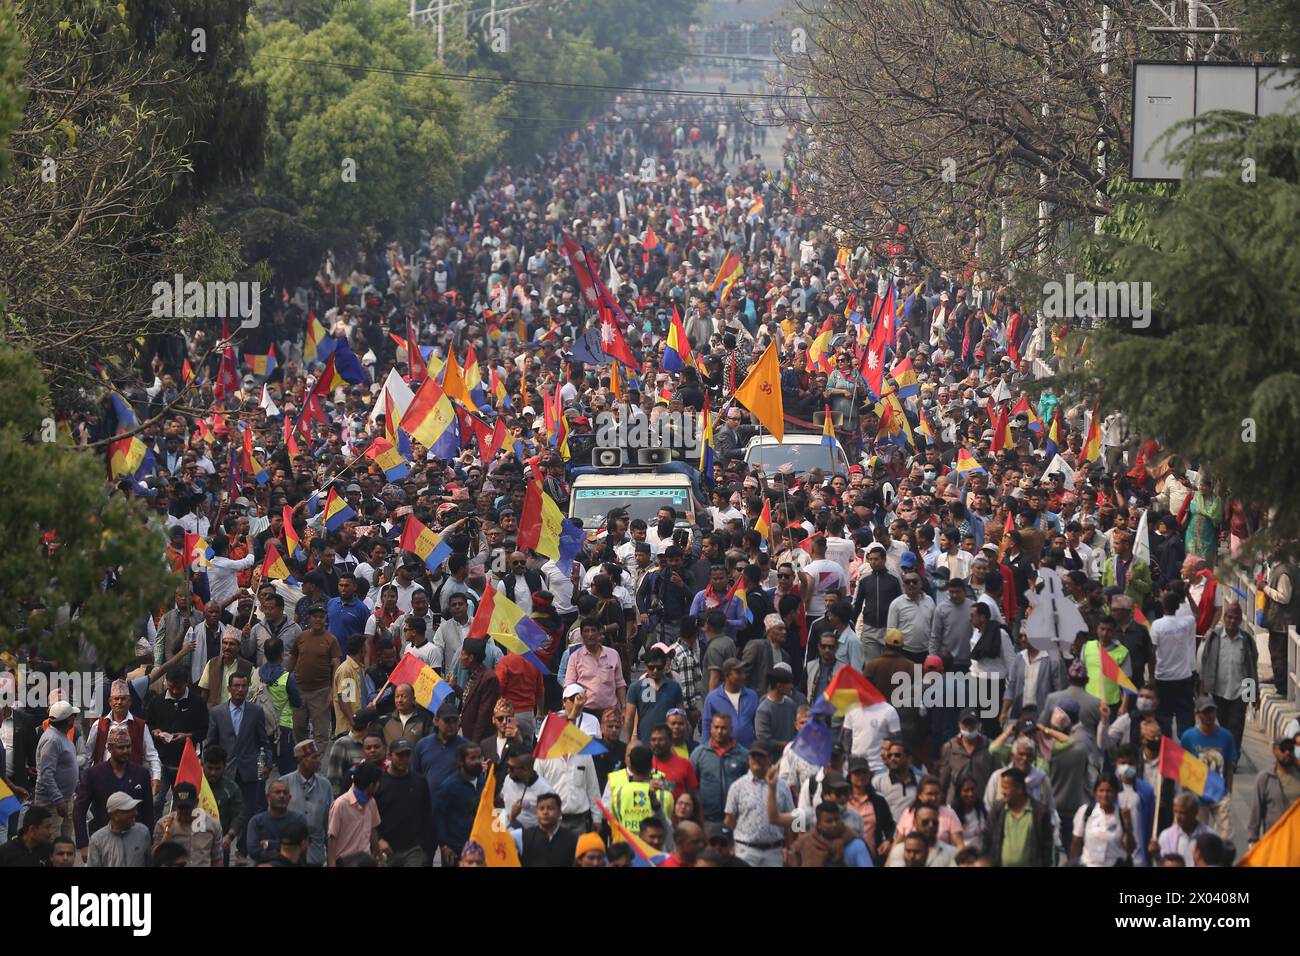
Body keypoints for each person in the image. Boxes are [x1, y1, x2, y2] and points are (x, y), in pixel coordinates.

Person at [204, 671, 272, 846]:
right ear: (229, 688)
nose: (240, 690)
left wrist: (266, 765)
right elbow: (211, 743)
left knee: (248, 811)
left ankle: (243, 849)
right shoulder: (218, 713)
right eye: (236, 686)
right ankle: (222, 846)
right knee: (224, 811)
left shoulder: (256, 712)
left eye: (244, 686)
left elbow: (263, 741)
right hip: (226, 771)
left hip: (249, 770)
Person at [73, 726, 154, 862]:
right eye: (120, 747)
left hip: (135, 838)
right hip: (103, 838)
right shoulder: (94, 774)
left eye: (128, 747)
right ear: (110, 749)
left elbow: (148, 811)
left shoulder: (141, 773)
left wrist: (150, 840)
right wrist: (83, 844)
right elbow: (79, 809)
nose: (125, 751)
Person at [1197, 602, 1257, 753]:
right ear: (1224, 617)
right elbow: (1205, 664)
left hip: (1240, 692)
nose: (1232, 621)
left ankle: (1233, 757)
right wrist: (1203, 693)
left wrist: (1253, 696)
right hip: (1218, 690)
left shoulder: (1246, 640)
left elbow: (1252, 668)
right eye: (1229, 617)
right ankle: (1224, 754)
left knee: (1236, 726)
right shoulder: (1214, 637)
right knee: (1222, 725)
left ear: (1240, 620)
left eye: (1236, 618)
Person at [723, 742, 790, 867]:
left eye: (761, 756)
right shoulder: (737, 786)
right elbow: (729, 821)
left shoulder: (782, 786)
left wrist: (790, 848)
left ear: (770, 758)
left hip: (774, 852)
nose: (756, 759)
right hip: (744, 851)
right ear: (748, 758)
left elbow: (792, 820)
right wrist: (728, 846)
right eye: (753, 756)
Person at [1179, 697, 1237, 839]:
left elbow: (1229, 767)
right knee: (1198, 838)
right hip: (1198, 796)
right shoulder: (1188, 737)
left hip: (1220, 794)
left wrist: (1229, 792)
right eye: (1205, 712)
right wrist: (1186, 793)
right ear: (1197, 714)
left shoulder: (1226, 736)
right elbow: (1184, 767)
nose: (1209, 715)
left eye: (1211, 711)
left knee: (1225, 837)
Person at [374, 737, 432, 866]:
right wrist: (378, 840)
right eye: (400, 755)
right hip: (386, 847)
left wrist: (426, 847)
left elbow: (427, 815)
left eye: (407, 755)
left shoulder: (420, 781)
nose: (404, 759)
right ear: (389, 756)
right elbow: (370, 817)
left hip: (413, 847)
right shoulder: (379, 783)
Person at [690, 713, 750, 832]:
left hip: (737, 821)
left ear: (731, 730)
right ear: (711, 728)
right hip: (707, 820)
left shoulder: (744, 755)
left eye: (724, 728)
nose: (719, 731)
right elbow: (692, 788)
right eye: (716, 727)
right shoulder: (698, 754)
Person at [984, 767, 1054, 867]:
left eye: (1006, 787)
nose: (1002, 792)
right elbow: (987, 838)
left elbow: (1046, 847)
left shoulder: (1040, 812)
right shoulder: (998, 810)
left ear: (1019, 789)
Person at [431, 743, 485, 866]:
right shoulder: (448, 786)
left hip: (480, 846)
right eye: (473, 758)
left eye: (479, 757)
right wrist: (444, 845)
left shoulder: (483, 781)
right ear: (461, 761)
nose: (478, 761)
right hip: (455, 849)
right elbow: (439, 817)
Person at [34, 700, 80, 841]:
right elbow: (46, 774)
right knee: (51, 845)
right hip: (52, 803)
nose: (75, 718)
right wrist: (58, 800)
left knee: (65, 843)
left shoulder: (62, 736)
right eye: (73, 716)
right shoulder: (52, 740)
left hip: (65, 799)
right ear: (67, 720)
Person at [153, 781, 223, 867]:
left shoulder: (212, 825)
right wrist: (167, 834)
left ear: (196, 803)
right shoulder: (163, 824)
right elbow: (156, 857)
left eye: (188, 807)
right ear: (175, 805)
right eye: (181, 807)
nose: (184, 811)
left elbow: (217, 859)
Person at [283, 739, 331, 866]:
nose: (318, 761)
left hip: (316, 855)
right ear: (300, 760)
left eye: (318, 757)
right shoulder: (284, 783)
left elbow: (329, 823)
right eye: (313, 757)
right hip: (290, 855)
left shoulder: (325, 785)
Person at [1068, 774, 1134, 866]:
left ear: (1115, 793)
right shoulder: (1086, 812)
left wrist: (1128, 825)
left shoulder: (1122, 815)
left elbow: (1130, 849)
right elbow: (1076, 842)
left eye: (1109, 791)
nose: (1105, 795)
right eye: (1101, 791)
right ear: (1096, 792)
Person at [327, 760, 383, 866]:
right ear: (372, 785)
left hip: (365, 861)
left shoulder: (371, 802)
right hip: (345, 862)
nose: (379, 785)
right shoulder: (341, 804)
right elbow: (332, 838)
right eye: (378, 782)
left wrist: (380, 858)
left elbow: (372, 831)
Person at [624, 647, 684, 745]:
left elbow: (681, 715)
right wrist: (627, 744)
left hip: (669, 745)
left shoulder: (674, 687)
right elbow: (629, 718)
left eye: (659, 667)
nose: (655, 671)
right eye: (651, 667)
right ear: (646, 667)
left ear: (664, 666)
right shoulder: (635, 687)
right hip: (644, 744)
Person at [1248, 736, 1300, 847]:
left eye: (1290, 749)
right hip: (1275, 841)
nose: (1287, 752)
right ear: (1274, 750)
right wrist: (1253, 840)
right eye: (1283, 749)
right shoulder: (1265, 778)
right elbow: (1256, 810)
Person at [245, 777, 308, 866]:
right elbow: (253, 851)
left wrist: (268, 844)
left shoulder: (299, 820)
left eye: (285, 793)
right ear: (268, 797)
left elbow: (303, 847)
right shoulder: (256, 821)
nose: (282, 796)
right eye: (277, 792)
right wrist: (287, 847)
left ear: (289, 797)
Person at [700, 657, 760, 749]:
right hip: (721, 752)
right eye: (738, 673)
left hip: (748, 751)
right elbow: (706, 728)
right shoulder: (713, 698)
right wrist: (705, 752)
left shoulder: (752, 695)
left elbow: (757, 725)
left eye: (743, 673)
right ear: (727, 675)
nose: (743, 676)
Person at [790, 802, 872, 867]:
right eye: (829, 821)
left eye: (837, 819)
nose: (834, 824)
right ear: (819, 825)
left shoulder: (856, 845)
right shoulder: (806, 844)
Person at [86, 792, 152, 868]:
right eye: (129, 810)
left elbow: (149, 863)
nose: (135, 813)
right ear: (114, 814)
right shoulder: (97, 840)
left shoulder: (143, 832)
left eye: (134, 809)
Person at [513, 791, 578, 867]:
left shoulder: (572, 838)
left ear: (559, 812)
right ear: (537, 812)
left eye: (550, 808)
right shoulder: (522, 836)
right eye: (541, 808)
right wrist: (512, 817)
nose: (545, 812)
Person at [1151, 792, 1211, 864]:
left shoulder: (1210, 836)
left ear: (1195, 813)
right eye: (1176, 812)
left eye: (1182, 813)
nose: (1178, 817)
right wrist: (1156, 855)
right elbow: (1162, 863)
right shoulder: (1166, 836)